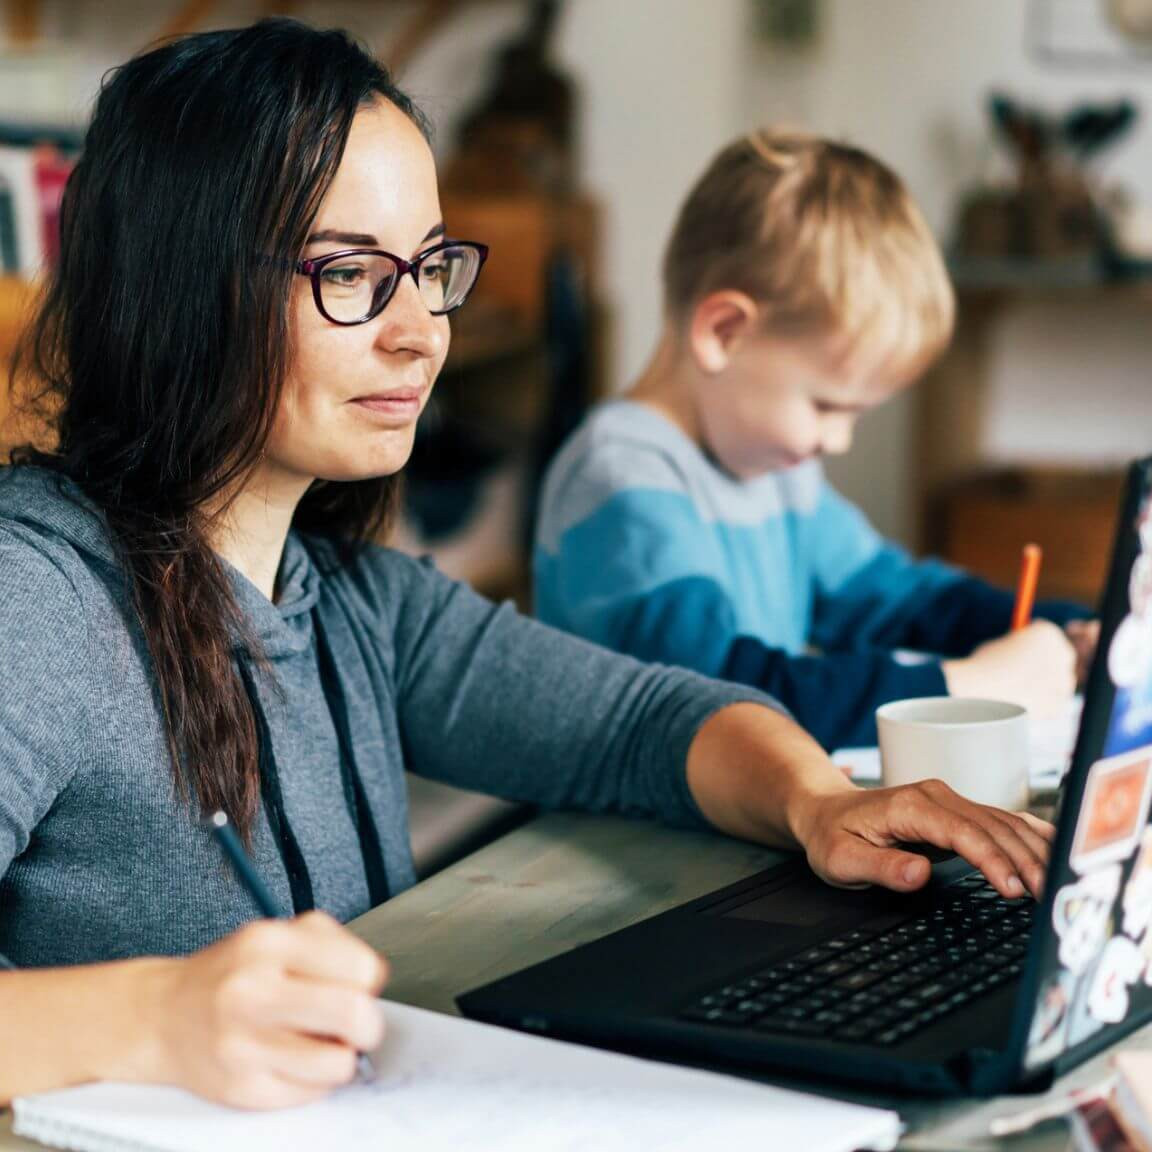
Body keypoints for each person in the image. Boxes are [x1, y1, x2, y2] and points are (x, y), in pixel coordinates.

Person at [0, 23, 1054, 1112]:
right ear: (181, 284)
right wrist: (158, 1017)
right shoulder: (35, 599)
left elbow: (639, 722)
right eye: (353, 272)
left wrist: (816, 802)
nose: (421, 333)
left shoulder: (353, 600)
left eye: (427, 268)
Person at [534, 130, 1096, 751]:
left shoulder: (774, 470)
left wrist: (1070, 630)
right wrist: (961, 686)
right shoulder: (622, 481)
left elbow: (898, 599)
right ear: (724, 332)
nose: (840, 440)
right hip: (616, 839)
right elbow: (726, 699)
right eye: (827, 404)